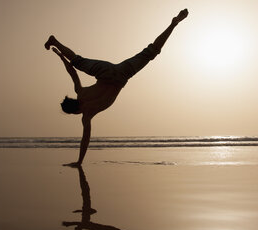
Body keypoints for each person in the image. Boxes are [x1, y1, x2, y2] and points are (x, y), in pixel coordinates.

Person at [45, 9, 188, 167]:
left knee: (151, 52)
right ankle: (55, 41)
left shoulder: (87, 115)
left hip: (121, 76)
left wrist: (79, 161)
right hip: (107, 71)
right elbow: (72, 72)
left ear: (73, 112)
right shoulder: (80, 93)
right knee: (78, 61)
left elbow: (85, 139)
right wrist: (60, 56)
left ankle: (173, 25)